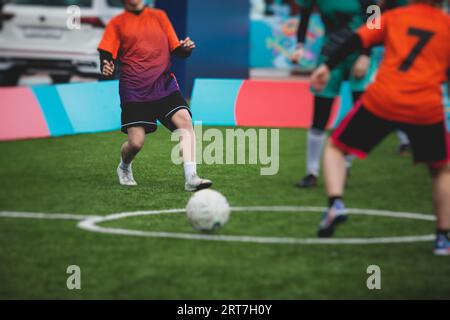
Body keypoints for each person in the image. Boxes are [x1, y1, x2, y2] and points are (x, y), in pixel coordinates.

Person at [310, 0, 450, 255]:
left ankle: (335, 204)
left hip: (384, 100)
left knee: (336, 148)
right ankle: (442, 238)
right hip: (425, 106)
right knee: (441, 170)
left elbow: (356, 39)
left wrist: (326, 66)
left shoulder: (393, 17)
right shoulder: (447, 25)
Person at [98, 0, 212, 191]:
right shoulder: (118, 22)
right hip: (134, 90)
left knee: (185, 120)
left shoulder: (159, 16)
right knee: (136, 143)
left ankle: (191, 177)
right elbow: (106, 52)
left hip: (163, 85)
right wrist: (106, 64)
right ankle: (124, 167)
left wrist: (186, 48)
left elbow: (177, 50)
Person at [291, 0, 375, 188]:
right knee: (320, 113)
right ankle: (311, 173)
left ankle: (344, 164)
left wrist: (366, 55)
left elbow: (374, 16)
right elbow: (304, 17)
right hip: (330, 53)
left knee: (360, 114)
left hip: (359, 54)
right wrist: (299, 46)